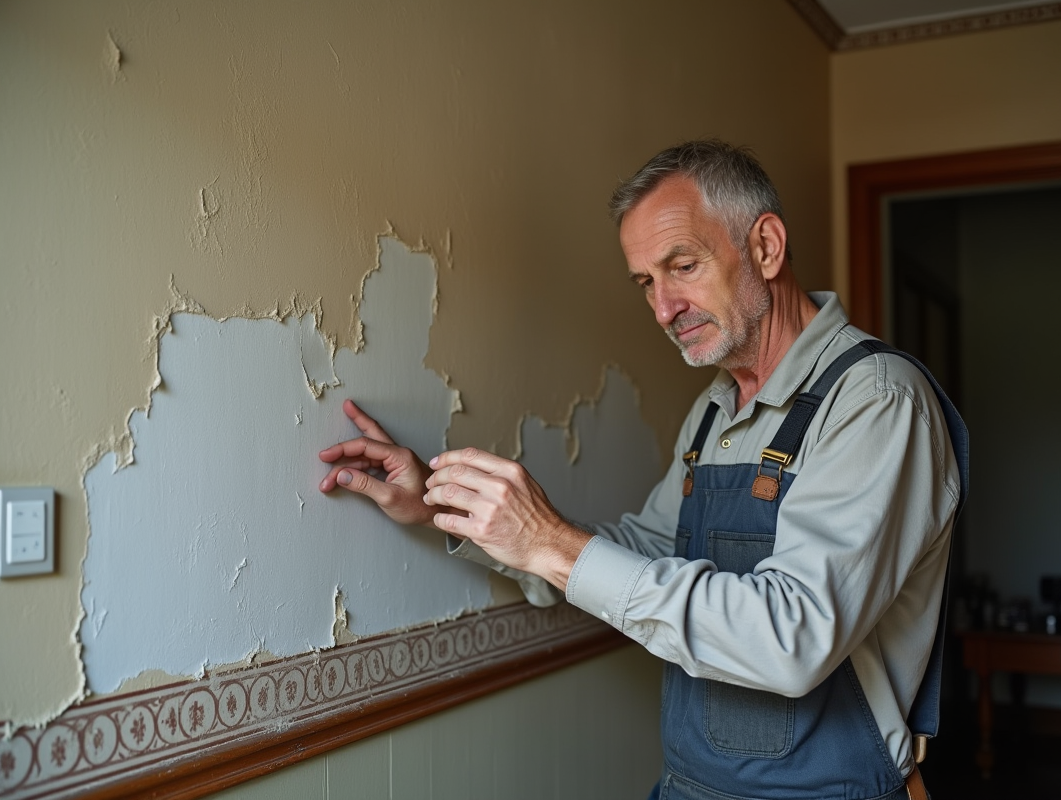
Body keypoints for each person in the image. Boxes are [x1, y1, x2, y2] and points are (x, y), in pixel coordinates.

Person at [318, 141, 967, 800]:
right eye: (646, 283)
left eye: (682, 266)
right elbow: (653, 550)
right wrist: (440, 505)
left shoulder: (877, 400)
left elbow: (790, 638)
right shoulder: (715, 411)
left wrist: (550, 542)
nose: (663, 309)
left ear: (766, 246)